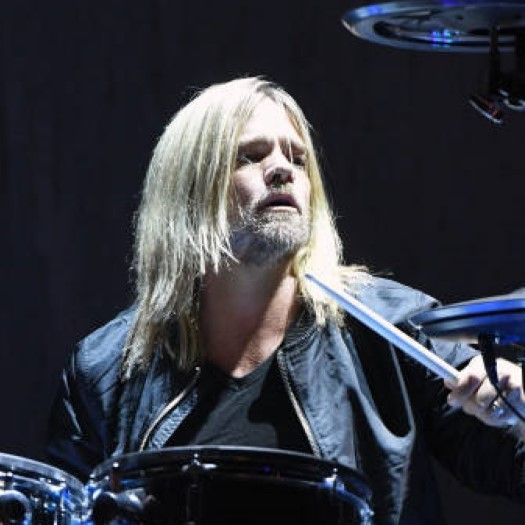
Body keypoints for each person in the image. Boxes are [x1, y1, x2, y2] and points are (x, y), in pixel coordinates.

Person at [47, 76, 525, 525]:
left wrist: (520, 410)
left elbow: (512, 466)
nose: (282, 169)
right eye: (250, 156)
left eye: (298, 159)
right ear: (188, 190)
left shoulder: (397, 327)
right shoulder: (103, 368)